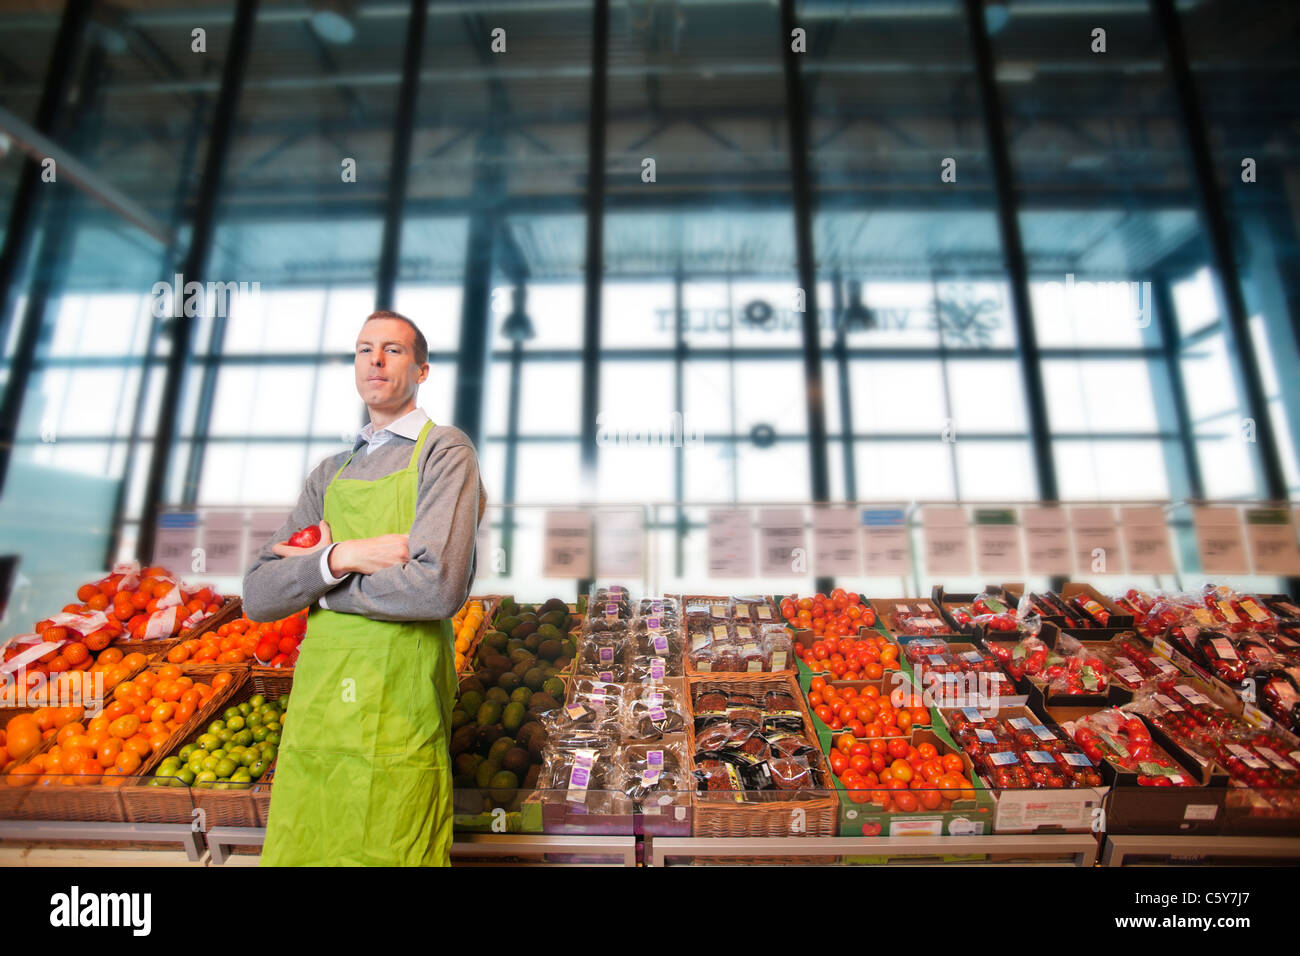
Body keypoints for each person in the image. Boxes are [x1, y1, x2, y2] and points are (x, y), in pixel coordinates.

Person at [242, 309, 485, 866]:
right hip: (320, 700)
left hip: (399, 694)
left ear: (422, 370)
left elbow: (434, 588)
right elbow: (259, 594)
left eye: (393, 350)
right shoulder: (329, 473)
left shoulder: (444, 453)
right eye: (363, 349)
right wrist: (343, 556)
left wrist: (319, 588)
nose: (375, 360)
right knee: (310, 841)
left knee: (394, 840)